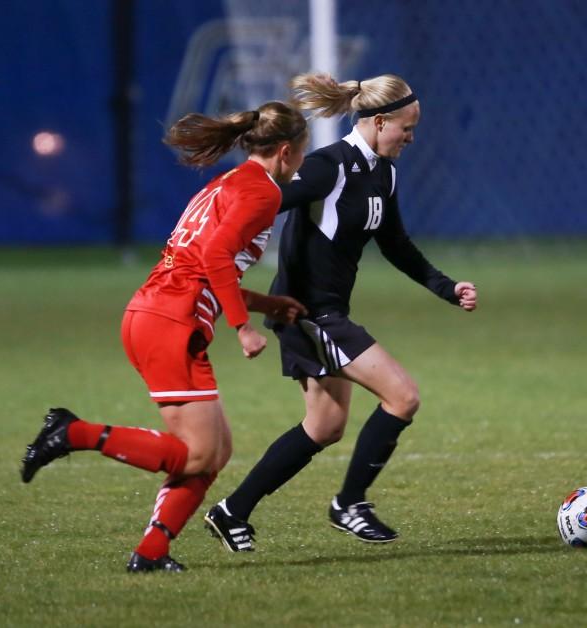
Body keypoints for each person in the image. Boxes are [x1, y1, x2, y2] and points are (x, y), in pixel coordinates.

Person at [20, 101, 310, 572]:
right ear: (285, 151)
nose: (300, 162)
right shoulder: (263, 193)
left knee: (214, 452)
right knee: (196, 453)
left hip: (150, 311)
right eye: (301, 152)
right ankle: (73, 432)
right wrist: (243, 327)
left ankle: (152, 553)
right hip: (171, 320)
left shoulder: (224, 185)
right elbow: (215, 257)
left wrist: (266, 304)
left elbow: (203, 262)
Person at [204, 73, 478, 551]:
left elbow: (395, 243)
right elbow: (267, 198)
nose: (410, 138)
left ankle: (232, 511)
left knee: (324, 427)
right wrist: (216, 236)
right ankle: (349, 503)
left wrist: (446, 288)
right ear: (377, 122)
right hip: (307, 312)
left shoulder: (384, 173)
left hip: (328, 311)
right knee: (403, 396)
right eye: (406, 129)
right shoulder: (328, 167)